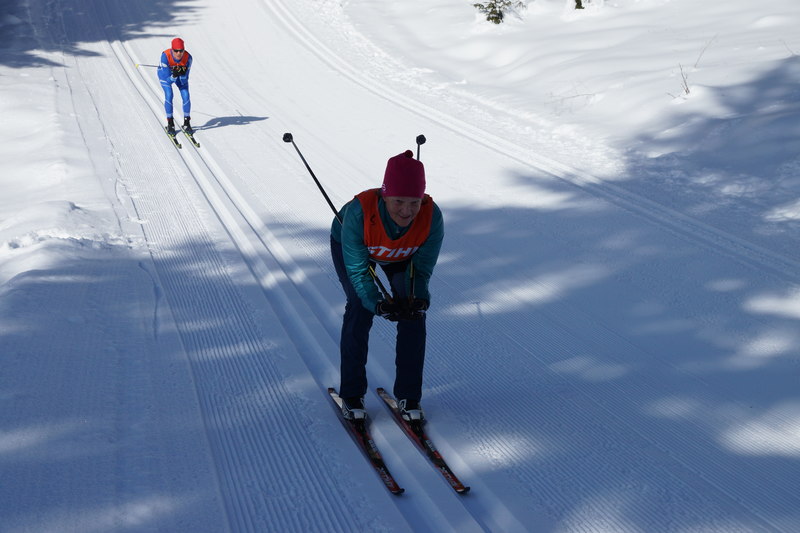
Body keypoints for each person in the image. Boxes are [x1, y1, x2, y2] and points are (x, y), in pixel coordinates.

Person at [331, 150, 444, 424]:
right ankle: (352, 395)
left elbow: (422, 268)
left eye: (414, 203)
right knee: (359, 308)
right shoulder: (358, 214)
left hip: (402, 254)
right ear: (385, 196)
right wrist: (377, 303)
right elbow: (359, 272)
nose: (406, 211)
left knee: (413, 313)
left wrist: (418, 297)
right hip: (356, 248)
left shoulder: (432, 217)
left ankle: (409, 396)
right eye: (398, 202)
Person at [158, 37, 193, 133]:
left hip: (179, 76)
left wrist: (182, 74)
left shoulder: (188, 58)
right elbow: (168, 80)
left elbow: (185, 80)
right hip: (165, 75)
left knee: (186, 95)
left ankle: (187, 122)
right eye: (176, 51)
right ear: (172, 50)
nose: (178, 53)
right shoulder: (165, 56)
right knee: (169, 95)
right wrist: (174, 75)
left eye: (181, 51)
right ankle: (170, 123)